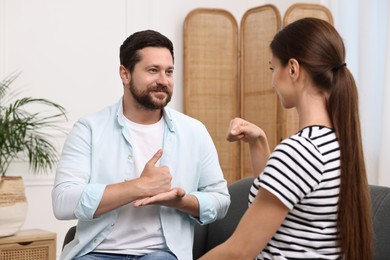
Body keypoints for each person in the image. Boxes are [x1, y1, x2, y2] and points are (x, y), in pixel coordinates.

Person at [199, 17, 373, 260]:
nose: (272, 82)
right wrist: (259, 142)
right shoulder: (336, 143)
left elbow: (239, 252)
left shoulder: (300, 151)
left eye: (272, 68)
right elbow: (290, 209)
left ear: (292, 69)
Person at [52, 30, 230, 260]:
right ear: (125, 74)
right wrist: (139, 186)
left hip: (161, 254)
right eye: (153, 70)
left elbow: (221, 200)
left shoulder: (194, 132)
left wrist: (181, 201)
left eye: (169, 71)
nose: (163, 81)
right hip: (96, 253)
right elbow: (63, 201)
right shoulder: (89, 128)